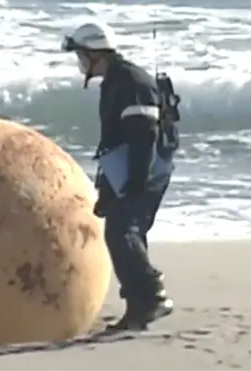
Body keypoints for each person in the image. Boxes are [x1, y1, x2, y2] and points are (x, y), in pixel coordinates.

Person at [61, 21, 181, 330]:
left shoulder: (130, 81)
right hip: (133, 168)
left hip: (147, 167)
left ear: (96, 54)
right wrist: (109, 190)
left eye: (81, 55)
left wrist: (136, 183)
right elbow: (117, 139)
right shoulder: (116, 80)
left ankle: (153, 296)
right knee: (128, 232)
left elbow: (144, 135)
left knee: (120, 232)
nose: (79, 62)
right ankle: (140, 307)